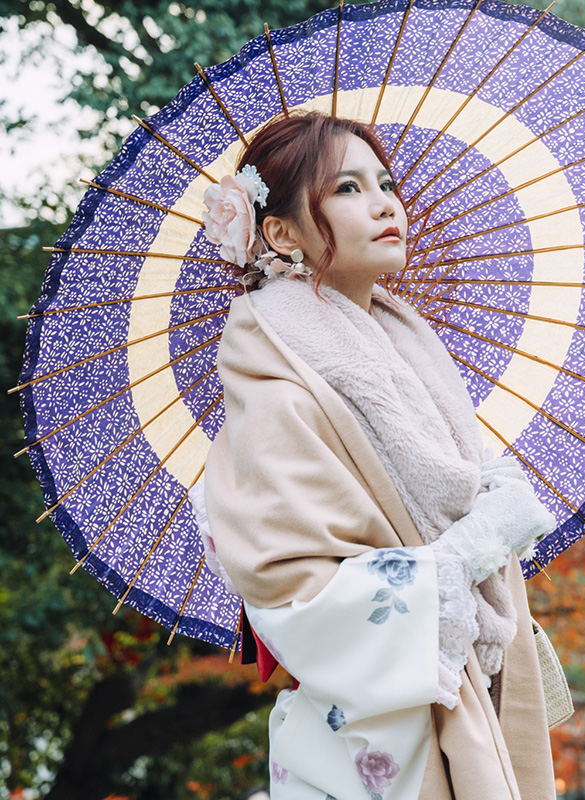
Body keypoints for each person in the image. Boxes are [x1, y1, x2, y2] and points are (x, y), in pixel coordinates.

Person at [193, 111, 559, 800]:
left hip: (445, 695)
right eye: (349, 188)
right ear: (280, 231)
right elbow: (295, 593)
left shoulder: (405, 347)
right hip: (362, 746)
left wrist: (488, 492)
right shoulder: (275, 395)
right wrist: (478, 541)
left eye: (386, 182)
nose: (385, 201)